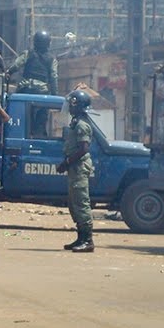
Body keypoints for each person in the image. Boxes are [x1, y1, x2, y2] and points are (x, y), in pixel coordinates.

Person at [56, 89, 95, 253]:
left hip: (79, 167)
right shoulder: (76, 122)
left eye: (72, 104)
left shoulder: (82, 125)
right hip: (74, 168)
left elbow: (83, 149)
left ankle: (88, 240)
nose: (69, 108)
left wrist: (66, 162)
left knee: (81, 203)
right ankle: (80, 238)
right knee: (74, 203)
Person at [6, 30, 58, 95]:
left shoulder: (28, 53)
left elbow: (16, 65)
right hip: (41, 90)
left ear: (35, 42)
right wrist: (54, 93)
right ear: (48, 43)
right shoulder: (52, 59)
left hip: (25, 88)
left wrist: (9, 72)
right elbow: (53, 77)